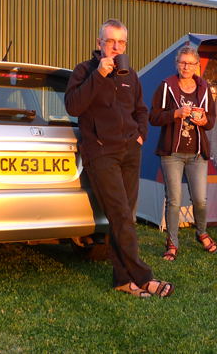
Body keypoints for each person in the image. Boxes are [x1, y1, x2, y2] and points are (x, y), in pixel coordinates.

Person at [64, 19, 173, 299]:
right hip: (101, 153)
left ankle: (122, 280)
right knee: (121, 215)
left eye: (121, 42)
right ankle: (144, 276)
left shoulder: (130, 76)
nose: (115, 47)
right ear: (99, 43)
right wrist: (99, 74)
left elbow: (141, 109)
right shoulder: (84, 71)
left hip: (130, 152)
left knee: (124, 218)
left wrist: (140, 136)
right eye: (110, 41)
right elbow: (73, 105)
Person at [149, 45, 217, 261]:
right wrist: (176, 113)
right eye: (182, 62)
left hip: (196, 153)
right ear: (177, 64)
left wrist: (204, 120)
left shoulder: (205, 88)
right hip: (172, 153)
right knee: (174, 199)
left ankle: (202, 232)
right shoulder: (167, 86)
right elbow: (153, 117)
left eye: (190, 63)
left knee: (200, 199)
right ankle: (172, 243)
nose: (186, 66)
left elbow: (212, 121)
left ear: (197, 66)